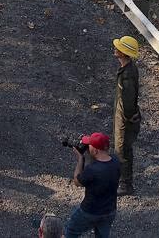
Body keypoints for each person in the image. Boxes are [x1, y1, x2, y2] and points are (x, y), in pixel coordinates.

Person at [63, 132, 120, 238]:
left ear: (95, 150)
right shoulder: (116, 162)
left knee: (71, 231)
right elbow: (101, 163)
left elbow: (77, 181)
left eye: (89, 145)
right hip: (110, 211)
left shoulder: (92, 170)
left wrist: (80, 159)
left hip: (90, 211)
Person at [113, 35, 141, 195]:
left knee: (122, 149)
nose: (115, 49)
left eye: (119, 48)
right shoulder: (127, 69)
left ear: (124, 53)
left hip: (124, 118)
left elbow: (128, 101)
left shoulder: (127, 75)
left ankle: (125, 184)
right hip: (122, 114)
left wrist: (129, 117)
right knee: (121, 148)